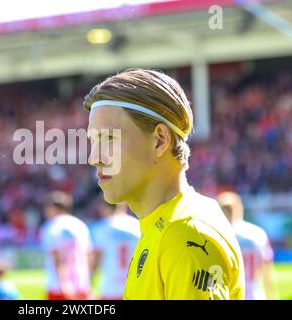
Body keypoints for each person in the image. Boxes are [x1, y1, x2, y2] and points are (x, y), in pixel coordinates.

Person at [84, 68, 245, 299]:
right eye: (93, 141)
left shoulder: (184, 234)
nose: (94, 157)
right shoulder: (167, 222)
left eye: (109, 138)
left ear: (160, 140)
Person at [217, 191, 278, 300]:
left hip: (230, 294)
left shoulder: (219, 235)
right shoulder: (258, 233)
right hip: (254, 293)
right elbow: (267, 269)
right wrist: (272, 295)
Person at [40, 191, 93, 300]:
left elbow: (57, 258)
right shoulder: (80, 225)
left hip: (58, 287)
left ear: (54, 208)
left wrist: (63, 284)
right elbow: (89, 255)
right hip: (81, 284)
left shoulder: (51, 227)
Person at [91, 198, 140, 299]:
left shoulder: (101, 228)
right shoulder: (136, 225)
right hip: (133, 287)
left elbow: (96, 262)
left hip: (110, 288)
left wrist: (90, 284)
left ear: (104, 207)